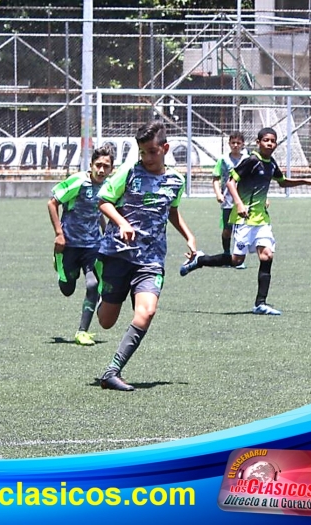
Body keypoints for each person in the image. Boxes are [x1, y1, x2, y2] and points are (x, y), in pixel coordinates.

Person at [97, 121, 197, 391]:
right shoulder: (130, 172)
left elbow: (171, 211)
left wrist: (189, 236)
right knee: (106, 321)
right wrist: (122, 223)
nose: (147, 158)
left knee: (147, 312)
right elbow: (104, 200)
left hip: (151, 259)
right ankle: (100, 287)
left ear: (165, 148)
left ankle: (112, 371)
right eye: (142, 152)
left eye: (152, 151)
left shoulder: (176, 180)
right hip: (118, 254)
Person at [180, 127, 311, 315]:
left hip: (261, 219)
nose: (270, 143)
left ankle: (260, 303)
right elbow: (230, 182)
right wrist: (239, 204)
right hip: (244, 219)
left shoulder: (271, 164)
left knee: (267, 256)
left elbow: (282, 182)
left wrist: (306, 181)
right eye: (266, 140)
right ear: (258, 142)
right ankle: (200, 259)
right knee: (237, 260)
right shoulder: (252, 161)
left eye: (273, 141)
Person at [47, 145, 114, 346]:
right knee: (67, 289)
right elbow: (52, 203)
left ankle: (82, 331)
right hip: (69, 244)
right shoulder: (78, 181)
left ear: (111, 169)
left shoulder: (108, 186)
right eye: (98, 165)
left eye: (106, 166)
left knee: (93, 284)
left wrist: (105, 232)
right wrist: (59, 234)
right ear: (91, 165)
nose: (101, 170)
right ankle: (59, 262)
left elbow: (99, 209)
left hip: (93, 245)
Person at [212, 131, 248, 269]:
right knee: (227, 231)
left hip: (244, 200)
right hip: (228, 201)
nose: (236, 145)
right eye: (233, 143)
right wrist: (218, 194)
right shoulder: (223, 159)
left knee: (241, 231)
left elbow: (255, 179)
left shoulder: (247, 159)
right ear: (229, 144)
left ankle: (238, 258)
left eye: (238, 143)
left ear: (243, 144)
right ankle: (227, 255)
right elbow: (216, 178)